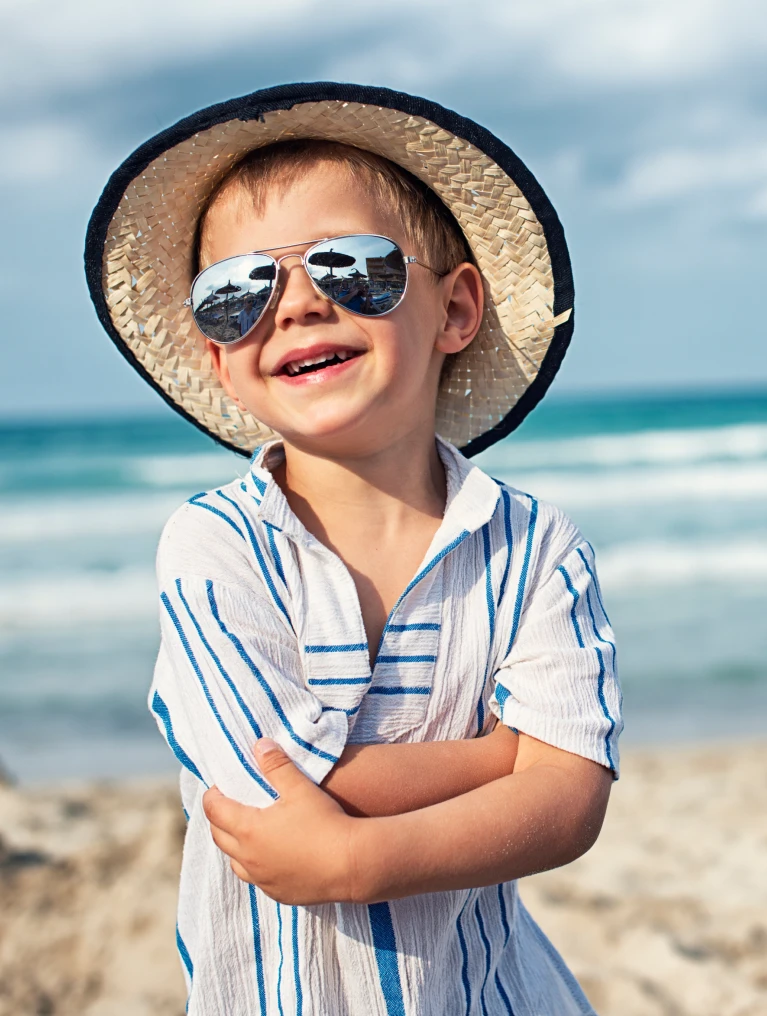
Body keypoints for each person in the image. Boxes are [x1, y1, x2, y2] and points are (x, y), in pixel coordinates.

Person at [85, 84, 619, 1015]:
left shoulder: (534, 545)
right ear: (218, 361)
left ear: (454, 311)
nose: (293, 308)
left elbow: (571, 803)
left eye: (350, 268)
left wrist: (360, 860)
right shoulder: (215, 546)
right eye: (237, 291)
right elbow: (280, 782)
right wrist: (511, 760)